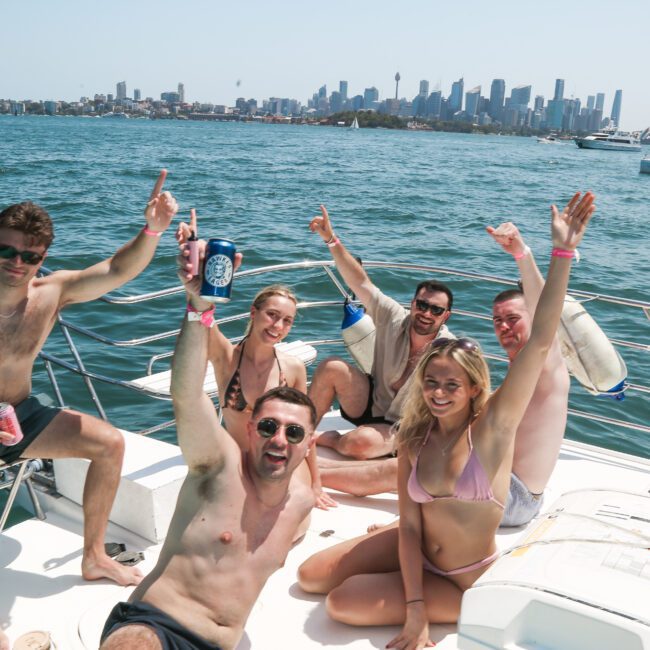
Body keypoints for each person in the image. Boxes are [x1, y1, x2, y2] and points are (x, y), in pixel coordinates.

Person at [298, 192, 595, 649]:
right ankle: (402, 574)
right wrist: (413, 600)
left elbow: (540, 342)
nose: (438, 393)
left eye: (451, 385)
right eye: (431, 382)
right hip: (417, 545)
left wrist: (561, 252)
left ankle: (454, 601)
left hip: (461, 578)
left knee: (342, 603)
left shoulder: (493, 428)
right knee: (309, 575)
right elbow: (413, 525)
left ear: (475, 387)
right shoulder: (414, 438)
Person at [100, 236, 317, 650]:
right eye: (268, 425)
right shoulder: (219, 464)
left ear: (308, 442)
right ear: (252, 427)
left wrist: (316, 485)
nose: (279, 437)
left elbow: (307, 430)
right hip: (159, 625)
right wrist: (198, 302)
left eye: (293, 432)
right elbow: (187, 391)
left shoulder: (300, 502)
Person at [0, 171, 178, 586]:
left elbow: (117, 269)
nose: (17, 262)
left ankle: (95, 556)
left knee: (109, 444)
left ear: (43, 258)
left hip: (21, 417)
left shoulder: (51, 294)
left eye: (31, 256)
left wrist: (152, 229)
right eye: (6, 250)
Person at [176, 211, 335, 509]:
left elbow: (304, 431)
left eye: (286, 321)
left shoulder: (293, 368)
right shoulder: (226, 356)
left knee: (296, 517)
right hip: (238, 465)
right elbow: (199, 318)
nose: (277, 326)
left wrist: (315, 483)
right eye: (272, 315)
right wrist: (194, 271)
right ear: (254, 312)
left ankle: (329, 474)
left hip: (279, 462)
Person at [308, 205, 453, 460]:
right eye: (422, 305)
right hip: (372, 402)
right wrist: (331, 240)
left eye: (436, 310)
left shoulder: (449, 350)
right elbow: (361, 283)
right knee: (332, 366)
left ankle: (331, 440)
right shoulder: (394, 316)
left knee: (360, 444)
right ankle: (302, 434)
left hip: (402, 426)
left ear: (446, 316)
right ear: (412, 304)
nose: (427, 313)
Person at [487, 221, 571, 526]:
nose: (503, 326)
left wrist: (522, 254)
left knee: (409, 467)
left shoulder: (544, 362)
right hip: (503, 482)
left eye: (512, 318)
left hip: (514, 498)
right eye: (497, 320)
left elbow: (543, 307)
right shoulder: (518, 367)